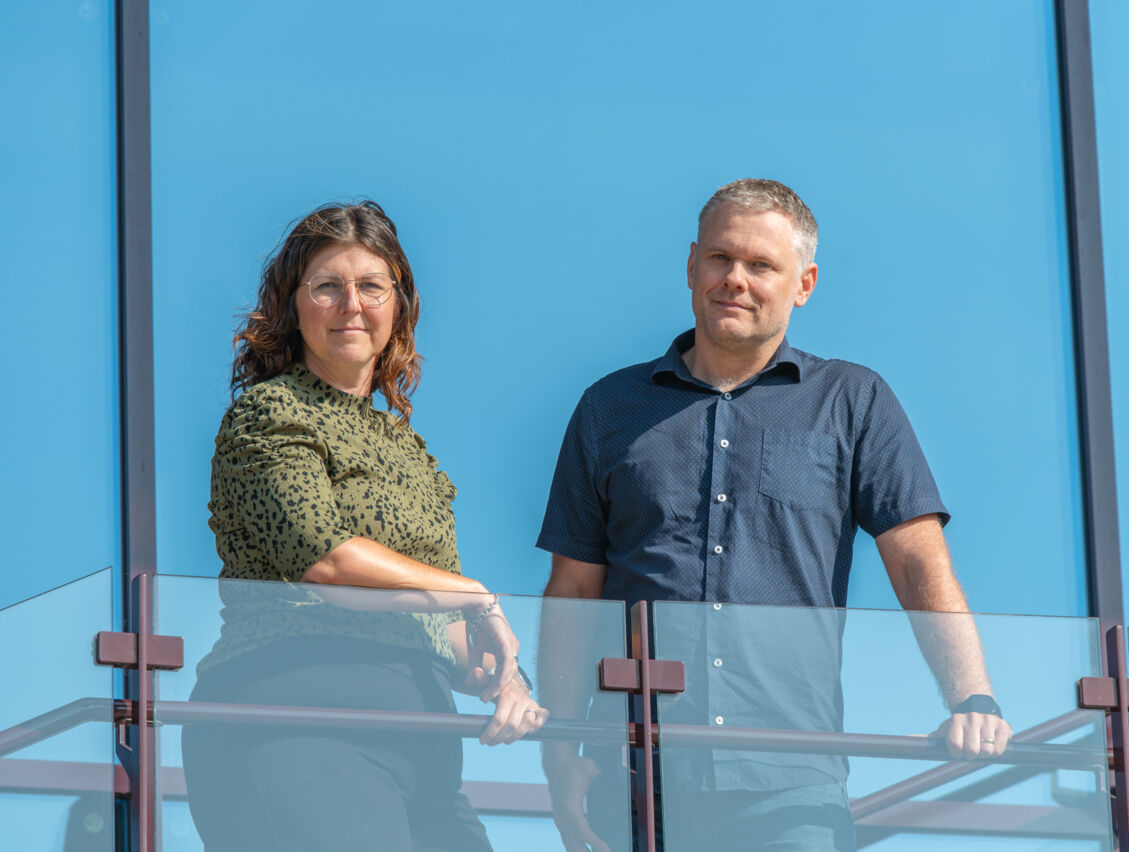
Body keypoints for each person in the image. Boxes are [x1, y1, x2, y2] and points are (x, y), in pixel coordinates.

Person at [536, 179, 1013, 851]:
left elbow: (917, 561)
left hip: (790, 781)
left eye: (762, 265)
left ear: (804, 283)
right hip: (633, 774)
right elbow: (574, 592)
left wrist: (973, 698)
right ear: (691, 265)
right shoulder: (607, 408)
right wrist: (560, 748)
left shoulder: (853, 401)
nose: (736, 279)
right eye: (720, 258)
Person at [181, 200, 546, 852]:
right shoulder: (271, 413)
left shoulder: (408, 450)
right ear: (294, 307)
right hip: (297, 720)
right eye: (327, 286)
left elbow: (437, 620)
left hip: (421, 742)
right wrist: (475, 596)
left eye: (371, 286)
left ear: (398, 307)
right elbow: (325, 561)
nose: (352, 303)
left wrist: (506, 676)